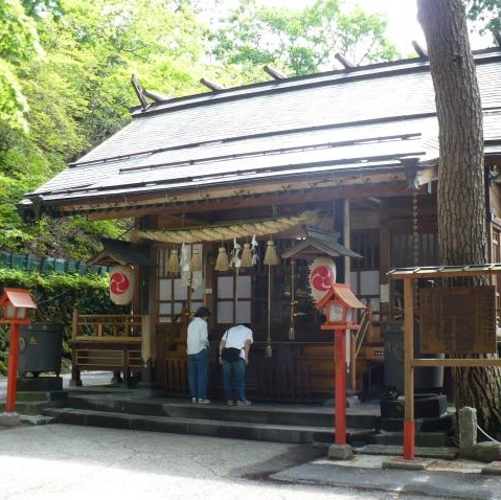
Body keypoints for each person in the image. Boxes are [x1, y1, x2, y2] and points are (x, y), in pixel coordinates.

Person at [219, 324, 253, 406]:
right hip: (238, 356)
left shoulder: (229, 330)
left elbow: (222, 342)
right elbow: (247, 343)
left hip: (226, 355)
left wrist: (220, 355)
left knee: (227, 379)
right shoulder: (248, 330)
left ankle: (229, 400)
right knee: (239, 379)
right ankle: (240, 400)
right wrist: (246, 357)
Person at [186, 306, 211, 404]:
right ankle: (201, 398)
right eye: (207, 316)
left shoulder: (191, 324)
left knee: (192, 375)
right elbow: (203, 338)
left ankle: (194, 397)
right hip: (200, 350)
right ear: (204, 315)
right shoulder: (203, 323)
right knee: (202, 375)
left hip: (190, 352)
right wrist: (208, 344)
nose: (207, 318)